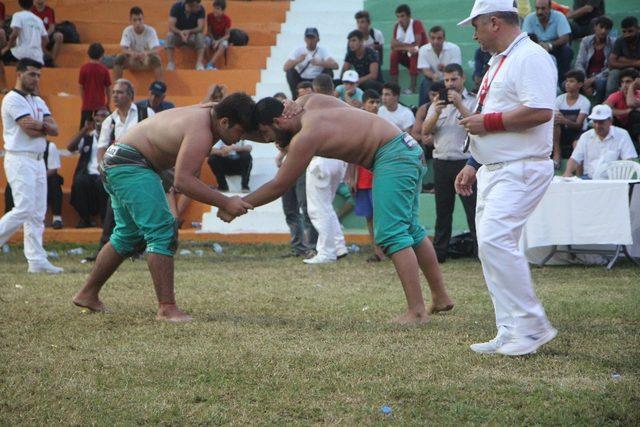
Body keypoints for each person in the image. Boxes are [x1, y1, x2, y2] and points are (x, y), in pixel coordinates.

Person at [222, 94, 454, 324]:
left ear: (279, 121)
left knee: (391, 234)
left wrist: (238, 205)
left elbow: (279, 184)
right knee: (411, 230)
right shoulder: (308, 102)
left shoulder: (307, 136)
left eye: (265, 134)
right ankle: (440, 297)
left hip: (392, 156)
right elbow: (298, 111)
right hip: (407, 148)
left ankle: (416, 312)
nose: (268, 140)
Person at [72, 93, 256, 322]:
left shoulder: (206, 112)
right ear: (225, 122)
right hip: (131, 164)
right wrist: (226, 201)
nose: (240, 139)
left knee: (127, 235)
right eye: (239, 132)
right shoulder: (201, 131)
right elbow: (183, 181)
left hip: (117, 161)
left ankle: (87, 294)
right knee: (162, 231)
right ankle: (167, 308)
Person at [455, 1, 558, 355]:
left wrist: (489, 124)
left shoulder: (530, 57)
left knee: (496, 241)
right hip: (496, 169)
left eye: (476, 26)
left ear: (494, 22)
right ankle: (510, 327)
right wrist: (473, 160)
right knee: (490, 247)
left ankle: (531, 327)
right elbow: (492, 112)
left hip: (522, 167)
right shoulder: (500, 61)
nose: (474, 34)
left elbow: (542, 110)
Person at [82, 79, 156, 261]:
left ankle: (141, 248)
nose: (115, 95)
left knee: (141, 210)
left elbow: (156, 137)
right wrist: (102, 168)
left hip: (143, 169)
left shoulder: (146, 113)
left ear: (130, 95)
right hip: (119, 172)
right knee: (114, 211)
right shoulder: (110, 121)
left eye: (120, 92)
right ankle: (106, 249)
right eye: (114, 92)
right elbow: (101, 148)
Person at [0, 58, 62, 273]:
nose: (36, 79)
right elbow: (28, 129)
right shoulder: (11, 99)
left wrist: (42, 126)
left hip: (37, 158)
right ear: (19, 74)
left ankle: (36, 261)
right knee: (24, 208)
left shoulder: (37, 101)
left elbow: (55, 129)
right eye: (32, 74)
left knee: (37, 211)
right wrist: (45, 127)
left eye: (38, 75)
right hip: (19, 157)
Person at [422, 63, 477, 264]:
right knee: (443, 211)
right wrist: (436, 112)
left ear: (462, 79)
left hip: (466, 162)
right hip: (442, 161)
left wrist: (460, 104)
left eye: (454, 79)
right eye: (446, 80)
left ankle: (480, 252)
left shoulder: (473, 100)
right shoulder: (437, 103)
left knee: (473, 210)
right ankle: (440, 253)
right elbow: (426, 130)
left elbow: (476, 124)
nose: (450, 83)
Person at [346, 89, 386, 262]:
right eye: (371, 102)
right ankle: (377, 250)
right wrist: (351, 176)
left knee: (382, 215)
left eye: (377, 102)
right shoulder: (357, 124)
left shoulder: (386, 123)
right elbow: (352, 152)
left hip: (381, 177)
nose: (375, 105)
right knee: (369, 216)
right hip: (362, 176)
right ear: (364, 104)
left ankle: (388, 248)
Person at [563, 104, 638, 178]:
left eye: (601, 122)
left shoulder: (622, 135)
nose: (597, 126)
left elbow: (628, 160)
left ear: (610, 121)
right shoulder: (586, 136)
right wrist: (567, 172)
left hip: (613, 181)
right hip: (589, 179)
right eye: (595, 122)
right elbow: (575, 159)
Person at [67, 107, 110, 228]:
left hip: (104, 173)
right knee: (79, 181)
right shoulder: (87, 138)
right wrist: (85, 128)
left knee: (104, 183)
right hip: (88, 173)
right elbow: (70, 147)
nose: (100, 118)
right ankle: (84, 218)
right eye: (98, 115)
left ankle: (104, 219)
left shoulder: (113, 137)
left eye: (104, 115)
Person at [522, 0, 574, 85]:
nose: (539, 12)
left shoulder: (559, 16)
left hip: (555, 47)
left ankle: (563, 82)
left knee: (566, 51)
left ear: (550, 8)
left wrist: (549, 45)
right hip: (535, 48)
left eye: (543, 9)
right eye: (537, 8)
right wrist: (539, 46)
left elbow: (565, 37)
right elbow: (526, 37)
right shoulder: (529, 18)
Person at [284, 27, 338, 99]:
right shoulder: (299, 50)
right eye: (308, 38)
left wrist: (319, 63)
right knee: (290, 72)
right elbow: (285, 67)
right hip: (302, 79)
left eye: (312, 38)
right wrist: (298, 60)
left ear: (318, 39)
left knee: (329, 71)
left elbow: (335, 65)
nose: (310, 41)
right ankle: (295, 96)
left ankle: (325, 95)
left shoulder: (322, 50)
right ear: (305, 39)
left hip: (317, 80)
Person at [553, 70, 591, 166]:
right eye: (567, 81)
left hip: (578, 133)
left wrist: (565, 120)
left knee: (577, 144)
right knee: (555, 124)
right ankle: (557, 153)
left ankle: (577, 170)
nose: (567, 84)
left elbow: (579, 124)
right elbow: (557, 119)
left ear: (580, 84)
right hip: (561, 132)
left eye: (571, 81)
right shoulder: (559, 99)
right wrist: (562, 121)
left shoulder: (584, 101)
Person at [417, 26, 462, 106]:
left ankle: (455, 106)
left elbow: (456, 69)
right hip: (432, 79)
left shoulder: (454, 48)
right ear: (429, 39)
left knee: (453, 82)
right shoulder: (423, 49)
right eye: (433, 38)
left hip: (449, 79)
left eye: (439, 38)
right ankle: (423, 109)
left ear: (444, 38)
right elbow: (425, 69)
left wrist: (445, 69)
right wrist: (433, 76)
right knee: (425, 83)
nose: (436, 41)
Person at [114, 7, 163, 82]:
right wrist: (132, 53)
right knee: (119, 58)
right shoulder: (127, 31)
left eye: (140, 19)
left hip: (146, 61)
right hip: (132, 60)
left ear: (143, 19)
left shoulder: (151, 31)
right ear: (130, 20)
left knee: (156, 59)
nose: (138, 23)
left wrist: (146, 53)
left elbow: (156, 49)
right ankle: (117, 85)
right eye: (135, 20)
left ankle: (160, 85)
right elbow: (123, 49)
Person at [574, 15, 615, 103]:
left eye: (607, 28)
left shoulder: (613, 43)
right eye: (601, 27)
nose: (603, 31)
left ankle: (599, 108)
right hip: (585, 75)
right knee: (566, 84)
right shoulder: (586, 41)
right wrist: (584, 80)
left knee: (600, 83)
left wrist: (594, 79)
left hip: (602, 76)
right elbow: (579, 62)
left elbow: (611, 67)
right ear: (595, 27)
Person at [389, 4, 427, 94]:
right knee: (393, 55)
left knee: (413, 53)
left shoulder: (416, 24)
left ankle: (412, 87)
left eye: (402, 16)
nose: (400, 19)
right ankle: (394, 87)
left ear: (409, 16)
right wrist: (407, 47)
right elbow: (393, 46)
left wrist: (401, 45)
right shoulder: (396, 27)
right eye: (398, 16)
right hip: (407, 54)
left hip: (422, 56)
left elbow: (417, 45)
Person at [1, 0, 48, 66]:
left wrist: (7, 47)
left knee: (2, 56)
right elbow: (46, 39)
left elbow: (15, 33)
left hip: (21, 53)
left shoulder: (18, 15)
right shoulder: (38, 19)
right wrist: (40, 49)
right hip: (37, 56)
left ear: (20, 4)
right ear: (32, 5)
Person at [165, 0, 207, 71]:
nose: (199, 7)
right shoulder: (176, 7)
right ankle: (170, 63)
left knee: (200, 35)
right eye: (197, 6)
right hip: (178, 36)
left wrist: (189, 31)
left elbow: (200, 28)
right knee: (169, 35)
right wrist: (180, 32)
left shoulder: (201, 9)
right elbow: (171, 26)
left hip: (192, 37)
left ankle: (199, 63)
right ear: (190, 5)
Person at [78, 43, 111, 129]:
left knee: (84, 129)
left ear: (88, 54)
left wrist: (84, 99)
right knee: (101, 129)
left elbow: (81, 86)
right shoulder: (104, 69)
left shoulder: (84, 68)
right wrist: (108, 102)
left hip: (87, 104)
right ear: (102, 55)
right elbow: (108, 88)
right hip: (100, 104)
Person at [604, 68, 640, 146]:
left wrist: (631, 87)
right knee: (607, 117)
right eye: (622, 82)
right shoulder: (617, 95)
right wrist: (626, 111)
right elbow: (604, 109)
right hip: (619, 126)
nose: (624, 85)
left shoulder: (639, 94)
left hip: (634, 128)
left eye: (628, 82)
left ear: (635, 83)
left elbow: (631, 103)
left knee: (635, 115)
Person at [606, 16, 640, 97]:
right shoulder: (620, 41)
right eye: (624, 32)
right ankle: (609, 105)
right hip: (623, 71)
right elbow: (611, 64)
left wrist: (622, 59)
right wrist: (635, 63)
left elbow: (615, 61)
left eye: (630, 31)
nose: (627, 35)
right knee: (613, 73)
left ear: (638, 29)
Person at [31, 0, 63, 66]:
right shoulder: (31, 11)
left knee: (59, 36)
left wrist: (45, 35)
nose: (40, 2)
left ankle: (52, 61)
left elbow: (52, 27)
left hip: (47, 35)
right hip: (35, 35)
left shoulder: (49, 10)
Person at [204, 0, 231, 70]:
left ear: (223, 10)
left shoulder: (227, 19)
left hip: (220, 38)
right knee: (205, 41)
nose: (215, 10)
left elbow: (227, 35)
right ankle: (209, 63)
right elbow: (208, 31)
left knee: (224, 44)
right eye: (214, 8)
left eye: (218, 9)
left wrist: (217, 41)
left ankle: (210, 64)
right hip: (211, 37)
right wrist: (213, 40)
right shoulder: (209, 16)